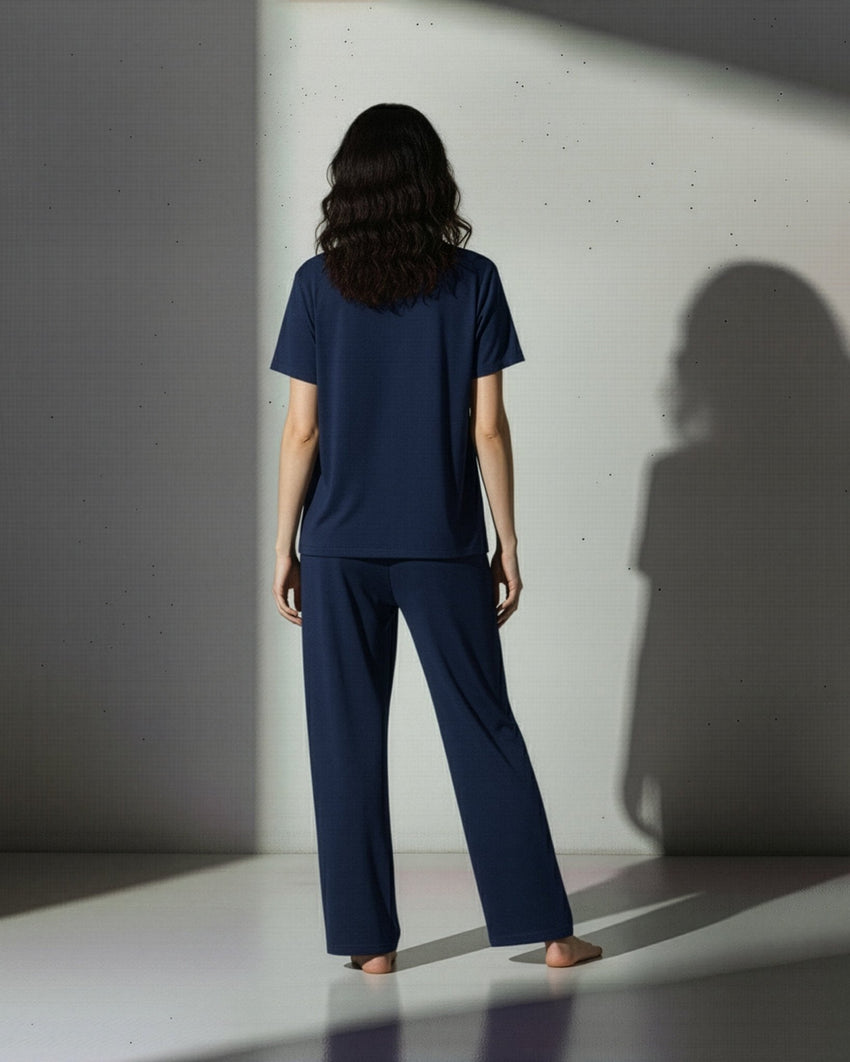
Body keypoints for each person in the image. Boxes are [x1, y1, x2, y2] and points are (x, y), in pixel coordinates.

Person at [271, 103, 601, 974]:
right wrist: (508, 541)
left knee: (344, 741)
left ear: (350, 186)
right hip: (443, 543)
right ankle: (549, 933)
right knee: (483, 726)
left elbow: (302, 430)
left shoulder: (316, 283)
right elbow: (487, 427)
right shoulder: (474, 280)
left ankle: (369, 947)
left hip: (337, 547)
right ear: (431, 181)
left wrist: (284, 545)